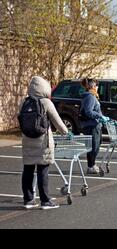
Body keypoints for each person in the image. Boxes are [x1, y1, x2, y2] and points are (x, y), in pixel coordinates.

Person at [20, 76, 70, 209]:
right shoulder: (46, 103)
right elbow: (57, 122)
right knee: (43, 171)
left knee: (28, 170)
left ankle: (28, 200)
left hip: (27, 140)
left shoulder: (24, 102)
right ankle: (45, 201)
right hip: (43, 142)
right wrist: (66, 133)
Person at [79, 78, 110, 175]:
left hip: (95, 125)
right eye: (96, 86)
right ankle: (91, 166)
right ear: (92, 86)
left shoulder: (92, 96)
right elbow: (88, 111)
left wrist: (101, 118)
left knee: (96, 145)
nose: (97, 87)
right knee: (93, 146)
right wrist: (100, 116)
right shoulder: (90, 97)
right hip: (92, 125)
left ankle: (92, 165)